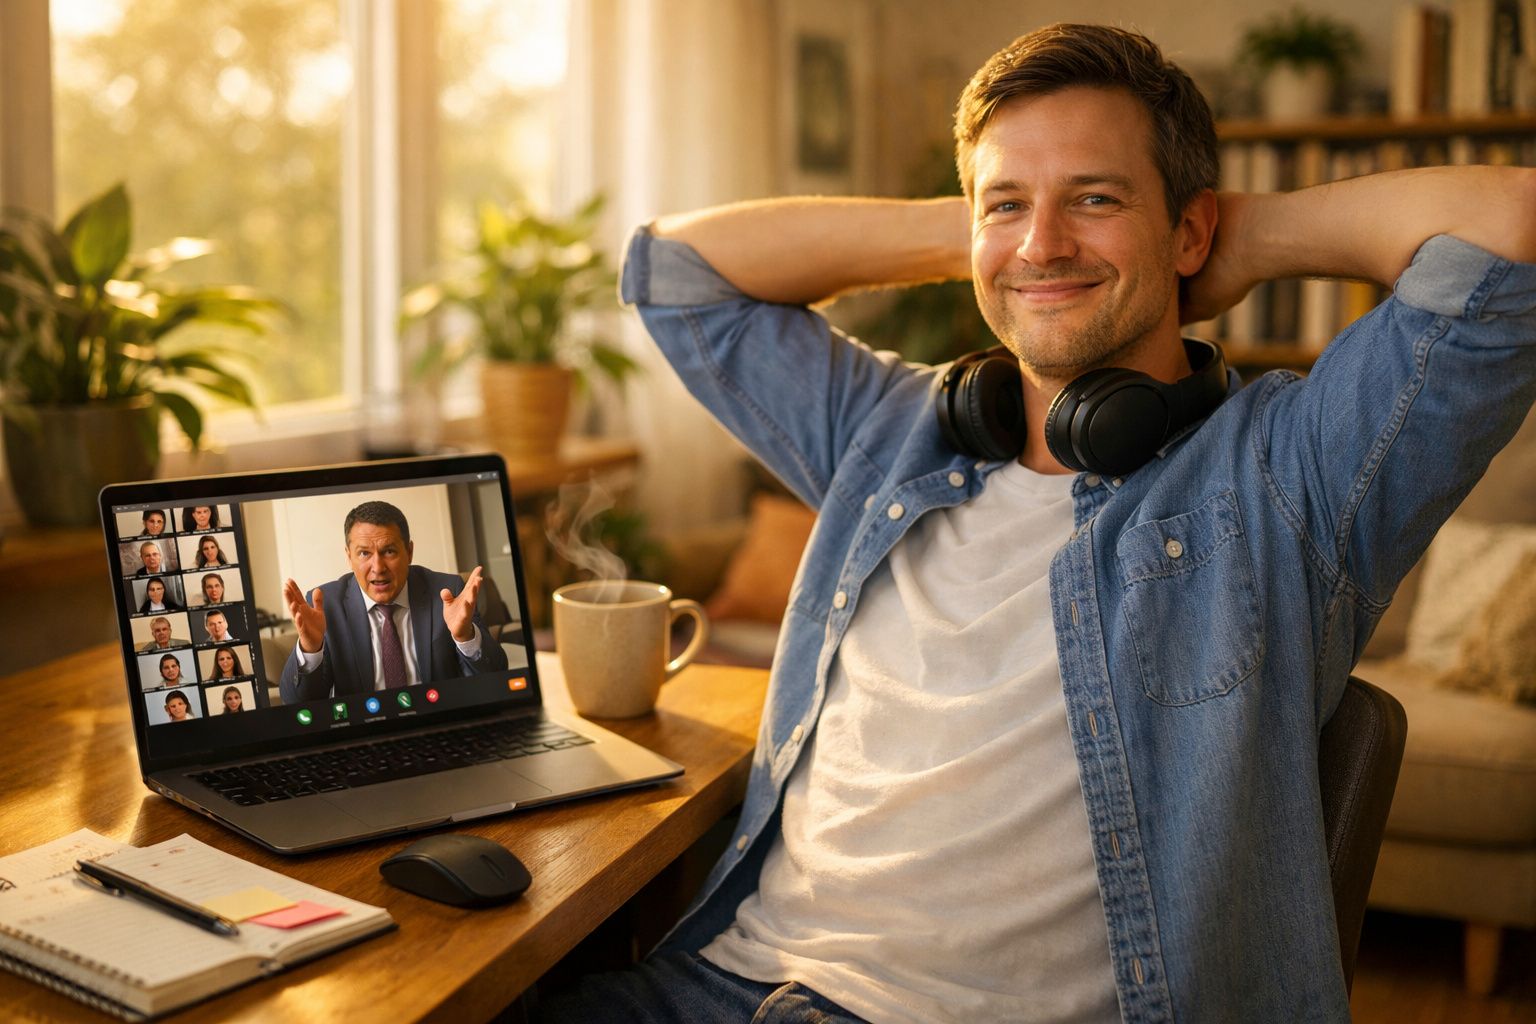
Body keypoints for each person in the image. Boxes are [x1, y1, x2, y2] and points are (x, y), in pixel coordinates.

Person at [540, 23, 1536, 1024]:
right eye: (1008, 204)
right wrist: (980, 230)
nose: (1044, 244)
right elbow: (674, 275)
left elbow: (1512, 227)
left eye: (1098, 199)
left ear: (1192, 231)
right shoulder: (892, 431)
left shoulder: (1287, 473)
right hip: (716, 984)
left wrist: (1241, 236)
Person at [278, 500, 508, 702]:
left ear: (409, 552)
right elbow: (296, 701)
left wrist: (464, 636)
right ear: (349, 556)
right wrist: (310, 648)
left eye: (389, 551)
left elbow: (496, 675)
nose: (378, 568)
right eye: (364, 553)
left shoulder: (448, 592)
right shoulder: (326, 604)